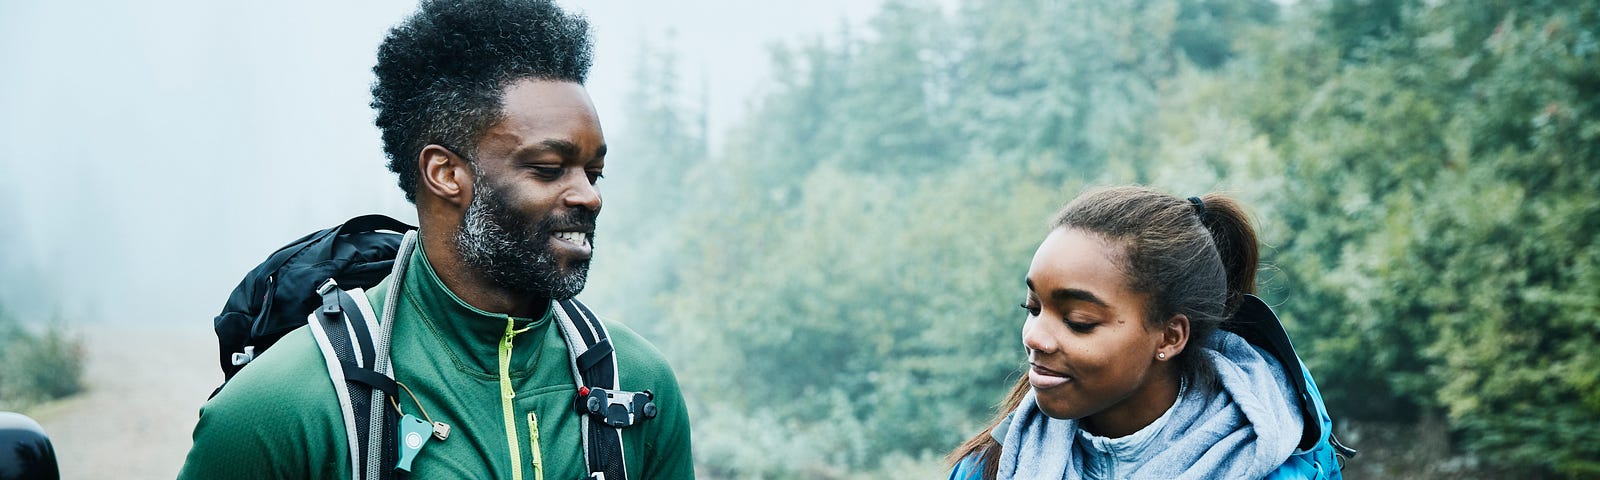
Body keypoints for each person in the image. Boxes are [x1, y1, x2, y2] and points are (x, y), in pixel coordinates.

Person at [177, 1, 694, 478]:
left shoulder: (638, 380)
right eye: (548, 168)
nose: (588, 196)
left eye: (594, 173)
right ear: (446, 173)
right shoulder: (277, 411)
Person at [948, 186, 1332, 479]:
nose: (1035, 337)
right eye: (1033, 308)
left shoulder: (1279, 465)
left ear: (1169, 337)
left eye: (1079, 321)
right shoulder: (990, 466)